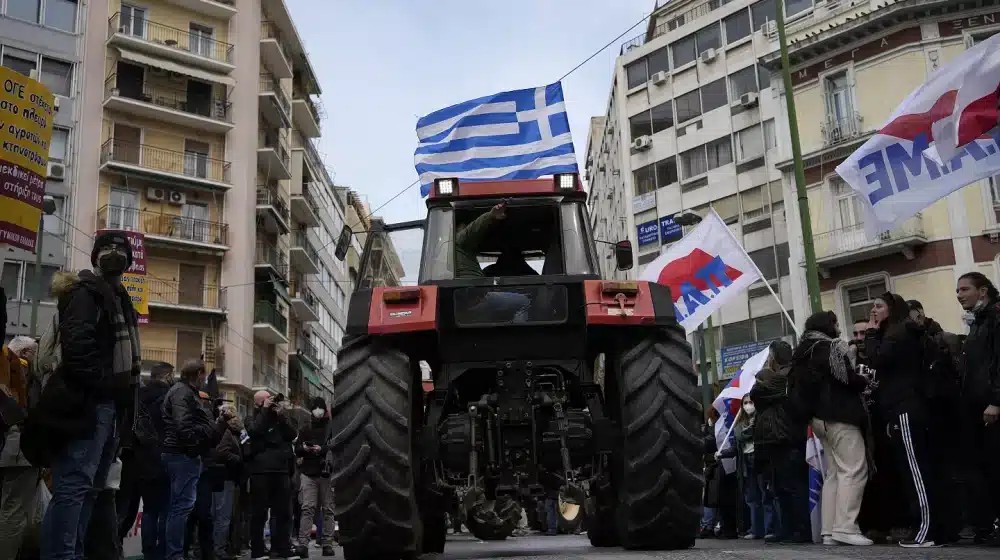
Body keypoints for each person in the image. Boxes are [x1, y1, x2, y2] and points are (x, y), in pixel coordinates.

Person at [39, 231, 141, 560]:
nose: (115, 255)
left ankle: (75, 553)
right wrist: (103, 386)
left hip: (111, 409)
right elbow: (77, 348)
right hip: (89, 406)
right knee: (73, 486)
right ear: (95, 256)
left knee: (91, 490)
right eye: (107, 249)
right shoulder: (85, 293)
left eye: (121, 250)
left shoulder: (121, 298)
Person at [865, 292, 939, 548]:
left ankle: (926, 530)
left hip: (906, 407)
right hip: (899, 407)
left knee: (916, 471)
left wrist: (872, 334)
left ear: (891, 309)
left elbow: (876, 359)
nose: (873, 311)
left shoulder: (898, 334)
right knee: (910, 471)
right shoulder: (896, 333)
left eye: (878, 306)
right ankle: (923, 526)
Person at [795, 311, 872, 546]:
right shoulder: (829, 347)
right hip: (840, 416)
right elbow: (845, 379)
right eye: (835, 323)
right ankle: (846, 527)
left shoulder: (802, 352)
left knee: (834, 474)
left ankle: (828, 531)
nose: (839, 328)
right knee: (854, 469)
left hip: (818, 420)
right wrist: (863, 379)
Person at [908, 299, 965, 543]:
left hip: (945, 411)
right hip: (930, 412)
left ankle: (959, 524)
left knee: (951, 470)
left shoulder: (940, 339)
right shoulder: (917, 341)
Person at [160, 360, 228, 560]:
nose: (204, 379)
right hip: (182, 455)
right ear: (198, 373)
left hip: (184, 454)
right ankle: (174, 554)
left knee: (181, 507)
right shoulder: (182, 392)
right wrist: (194, 446)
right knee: (181, 508)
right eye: (203, 375)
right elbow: (183, 425)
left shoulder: (185, 392)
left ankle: (175, 553)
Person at [955, 272, 1000, 546]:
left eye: (964, 289)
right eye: (957, 290)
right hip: (977, 408)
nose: (959, 295)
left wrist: (996, 400)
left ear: (982, 291)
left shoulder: (994, 318)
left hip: (991, 407)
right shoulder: (979, 321)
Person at [750, 340, 809, 544]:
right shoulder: (780, 380)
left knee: (791, 486)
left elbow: (758, 392)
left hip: (785, 437)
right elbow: (756, 394)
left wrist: (765, 374)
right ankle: (787, 528)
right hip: (776, 439)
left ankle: (800, 529)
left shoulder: (786, 378)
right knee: (779, 487)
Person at [245, 391, 297, 560]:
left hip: (281, 470)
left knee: (283, 513)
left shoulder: (278, 419)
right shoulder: (252, 417)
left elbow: (291, 435)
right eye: (266, 399)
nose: (270, 401)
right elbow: (254, 431)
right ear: (258, 403)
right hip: (261, 471)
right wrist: (265, 411)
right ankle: (258, 551)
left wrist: (282, 416)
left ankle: (282, 549)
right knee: (259, 513)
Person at [0, 336, 39, 559]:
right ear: (25, 353)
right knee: (13, 510)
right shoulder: (22, 372)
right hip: (18, 449)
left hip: (4, 443)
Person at [722, 395, 775, 540]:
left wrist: (754, 426)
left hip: (760, 460)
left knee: (766, 495)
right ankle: (755, 529)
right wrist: (722, 454)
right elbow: (737, 444)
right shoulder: (739, 425)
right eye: (745, 403)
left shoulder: (761, 421)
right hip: (746, 463)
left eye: (751, 402)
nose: (748, 405)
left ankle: (769, 529)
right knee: (751, 498)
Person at [295, 397, 336, 558]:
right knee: (307, 509)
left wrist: (322, 449)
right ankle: (303, 545)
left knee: (328, 509)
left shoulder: (331, 427)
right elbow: (297, 449)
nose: (318, 411)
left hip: (326, 472)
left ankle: (327, 544)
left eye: (320, 408)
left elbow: (336, 444)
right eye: (315, 408)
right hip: (308, 473)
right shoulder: (305, 428)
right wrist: (305, 449)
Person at [213, 404, 244, 560]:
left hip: (227, 477)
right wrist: (237, 459)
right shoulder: (228, 431)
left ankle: (221, 548)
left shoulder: (233, 431)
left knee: (223, 515)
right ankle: (219, 549)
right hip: (225, 476)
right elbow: (220, 452)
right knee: (222, 516)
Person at [456, 203, 507, 278]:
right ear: (458, 228)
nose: (466, 228)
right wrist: (490, 215)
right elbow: (472, 229)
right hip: (469, 283)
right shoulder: (458, 239)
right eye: (465, 227)